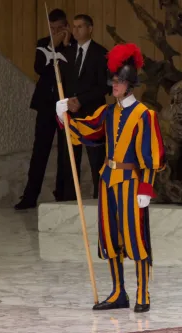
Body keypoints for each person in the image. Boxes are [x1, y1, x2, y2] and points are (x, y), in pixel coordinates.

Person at [55, 43, 166, 313]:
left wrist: (146, 187)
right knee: (111, 237)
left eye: (117, 82)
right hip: (108, 180)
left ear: (129, 84)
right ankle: (118, 292)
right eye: (112, 81)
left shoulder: (145, 115)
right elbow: (88, 131)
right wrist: (64, 115)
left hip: (131, 183)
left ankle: (143, 293)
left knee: (136, 238)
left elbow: (153, 154)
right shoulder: (108, 112)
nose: (113, 86)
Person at [15, 9, 74, 210]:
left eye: (60, 28)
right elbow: (39, 68)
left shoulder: (73, 44)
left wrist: (65, 46)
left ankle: (63, 195)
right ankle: (30, 196)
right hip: (46, 105)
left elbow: (73, 71)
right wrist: (51, 46)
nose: (56, 32)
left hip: (66, 106)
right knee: (40, 150)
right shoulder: (43, 43)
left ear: (66, 26)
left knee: (66, 153)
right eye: (52, 28)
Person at [59, 14, 109, 201]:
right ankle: (70, 198)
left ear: (90, 28)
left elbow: (104, 86)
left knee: (96, 157)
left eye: (80, 26)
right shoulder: (67, 53)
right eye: (74, 26)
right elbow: (60, 81)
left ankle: (99, 197)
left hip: (92, 113)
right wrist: (67, 101)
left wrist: (80, 100)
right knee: (69, 158)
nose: (76, 30)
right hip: (70, 113)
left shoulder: (101, 53)